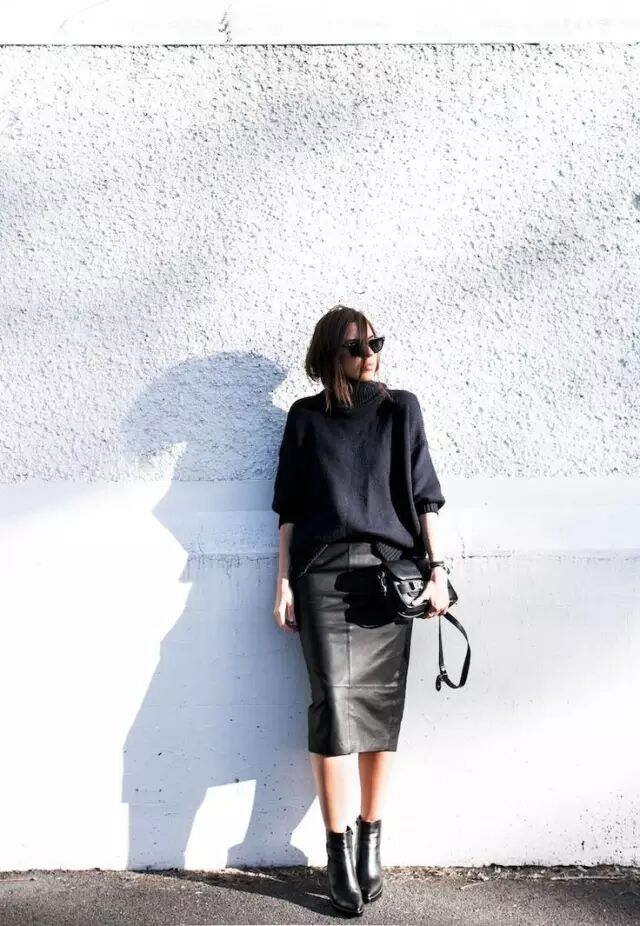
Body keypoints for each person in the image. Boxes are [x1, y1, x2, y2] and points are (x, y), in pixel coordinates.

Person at [271, 304, 449, 916]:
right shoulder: (304, 418)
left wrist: (438, 571)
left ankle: (372, 836)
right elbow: (289, 509)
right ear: (329, 356)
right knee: (332, 709)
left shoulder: (402, 410)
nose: (368, 355)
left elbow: (425, 498)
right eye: (355, 347)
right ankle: (337, 852)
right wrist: (281, 583)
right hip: (320, 578)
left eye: (374, 343)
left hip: (387, 579)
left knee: (379, 713)